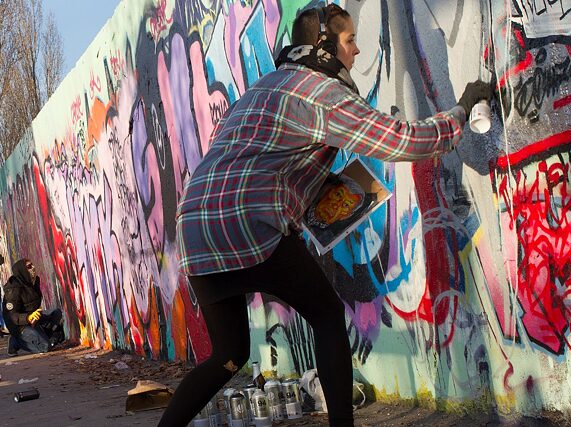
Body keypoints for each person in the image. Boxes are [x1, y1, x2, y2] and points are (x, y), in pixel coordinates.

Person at [159, 5, 494, 427]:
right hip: (247, 224)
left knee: (228, 355)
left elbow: (255, 159)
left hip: (195, 225)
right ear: (323, 46)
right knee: (328, 317)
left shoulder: (264, 87)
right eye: (349, 40)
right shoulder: (320, 90)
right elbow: (399, 140)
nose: (356, 51)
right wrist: (460, 112)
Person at [2, 259, 64, 356]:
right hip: (19, 326)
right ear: (22, 270)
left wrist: (34, 317)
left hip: (33, 319)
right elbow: (12, 316)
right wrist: (28, 318)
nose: (33, 268)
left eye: (32, 265)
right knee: (45, 347)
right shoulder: (13, 289)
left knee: (56, 313)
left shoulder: (34, 281)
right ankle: (16, 341)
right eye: (29, 267)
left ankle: (44, 337)